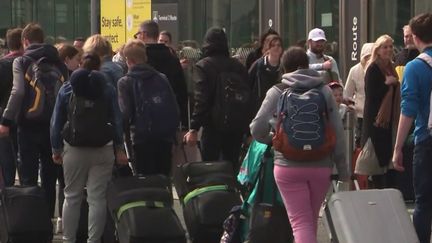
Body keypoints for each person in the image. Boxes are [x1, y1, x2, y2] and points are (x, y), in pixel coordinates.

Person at [250, 46, 348, 243]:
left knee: (300, 222)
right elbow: (337, 130)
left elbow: (256, 128)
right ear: (307, 65)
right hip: (321, 165)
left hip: (287, 166)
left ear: (284, 68)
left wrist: (275, 139)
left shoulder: (277, 91)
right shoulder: (324, 90)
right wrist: (344, 170)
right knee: (309, 220)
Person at [50, 65, 127, 243]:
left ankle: (68, 239)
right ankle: (94, 240)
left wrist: (55, 148)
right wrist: (119, 147)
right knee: (97, 198)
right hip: (103, 148)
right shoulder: (107, 89)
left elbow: (56, 121)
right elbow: (116, 119)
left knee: (71, 196)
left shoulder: (68, 88)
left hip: (74, 148)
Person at [0, 23, 69, 219]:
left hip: (28, 126)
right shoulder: (59, 62)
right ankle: (47, 220)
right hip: (54, 126)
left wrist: (6, 120)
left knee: (28, 176)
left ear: (25, 41)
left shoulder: (21, 61)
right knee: (50, 176)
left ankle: (31, 222)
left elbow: (18, 92)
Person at [183, 27, 251, 172]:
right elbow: (247, 98)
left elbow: (201, 99)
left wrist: (194, 127)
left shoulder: (203, 66)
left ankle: (214, 193)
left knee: (210, 168)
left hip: (212, 125)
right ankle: (229, 193)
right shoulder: (238, 66)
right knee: (231, 167)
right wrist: (248, 130)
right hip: (235, 126)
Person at [392, 13, 432, 243]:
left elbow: (408, 111)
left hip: (426, 140)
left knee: (423, 202)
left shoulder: (414, 68)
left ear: (415, 38)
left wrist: (397, 148)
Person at [117, 39, 179, 176]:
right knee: (163, 179)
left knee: (145, 182)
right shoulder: (162, 78)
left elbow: (125, 114)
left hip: (141, 139)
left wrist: (121, 142)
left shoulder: (125, 82)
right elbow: (174, 108)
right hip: (164, 138)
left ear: (129, 60)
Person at [357, 35, 400, 189]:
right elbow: (372, 94)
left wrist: (394, 83)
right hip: (376, 121)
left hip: (389, 121)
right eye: (385, 47)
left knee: (387, 164)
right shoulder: (373, 68)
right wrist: (387, 83)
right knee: (375, 163)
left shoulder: (391, 68)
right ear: (378, 50)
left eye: (390, 47)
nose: (388, 50)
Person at [135, 20, 188, 129]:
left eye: (137, 34)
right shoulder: (172, 58)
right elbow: (181, 91)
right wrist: (184, 124)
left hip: (144, 122)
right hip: (169, 119)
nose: (137, 38)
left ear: (144, 35)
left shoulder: (139, 59)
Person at [0, 27, 23, 187]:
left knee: (7, 163)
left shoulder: (2, 65)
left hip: (4, 121)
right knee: (26, 165)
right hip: (27, 119)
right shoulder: (30, 62)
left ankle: (8, 202)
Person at [344, 42, 373, 147]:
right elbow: (347, 94)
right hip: (361, 115)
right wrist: (354, 106)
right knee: (361, 143)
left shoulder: (381, 68)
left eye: (372, 56)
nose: (369, 60)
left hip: (378, 115)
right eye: (366, 57)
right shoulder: (355, 70)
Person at [248, 35, 283, 116]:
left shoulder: (283, 65)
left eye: (278, 45)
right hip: (260, 107)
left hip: (279, 107)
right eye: (273, 45)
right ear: (268, 48)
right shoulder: (259, 64)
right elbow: (248, 82)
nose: (276, 47)